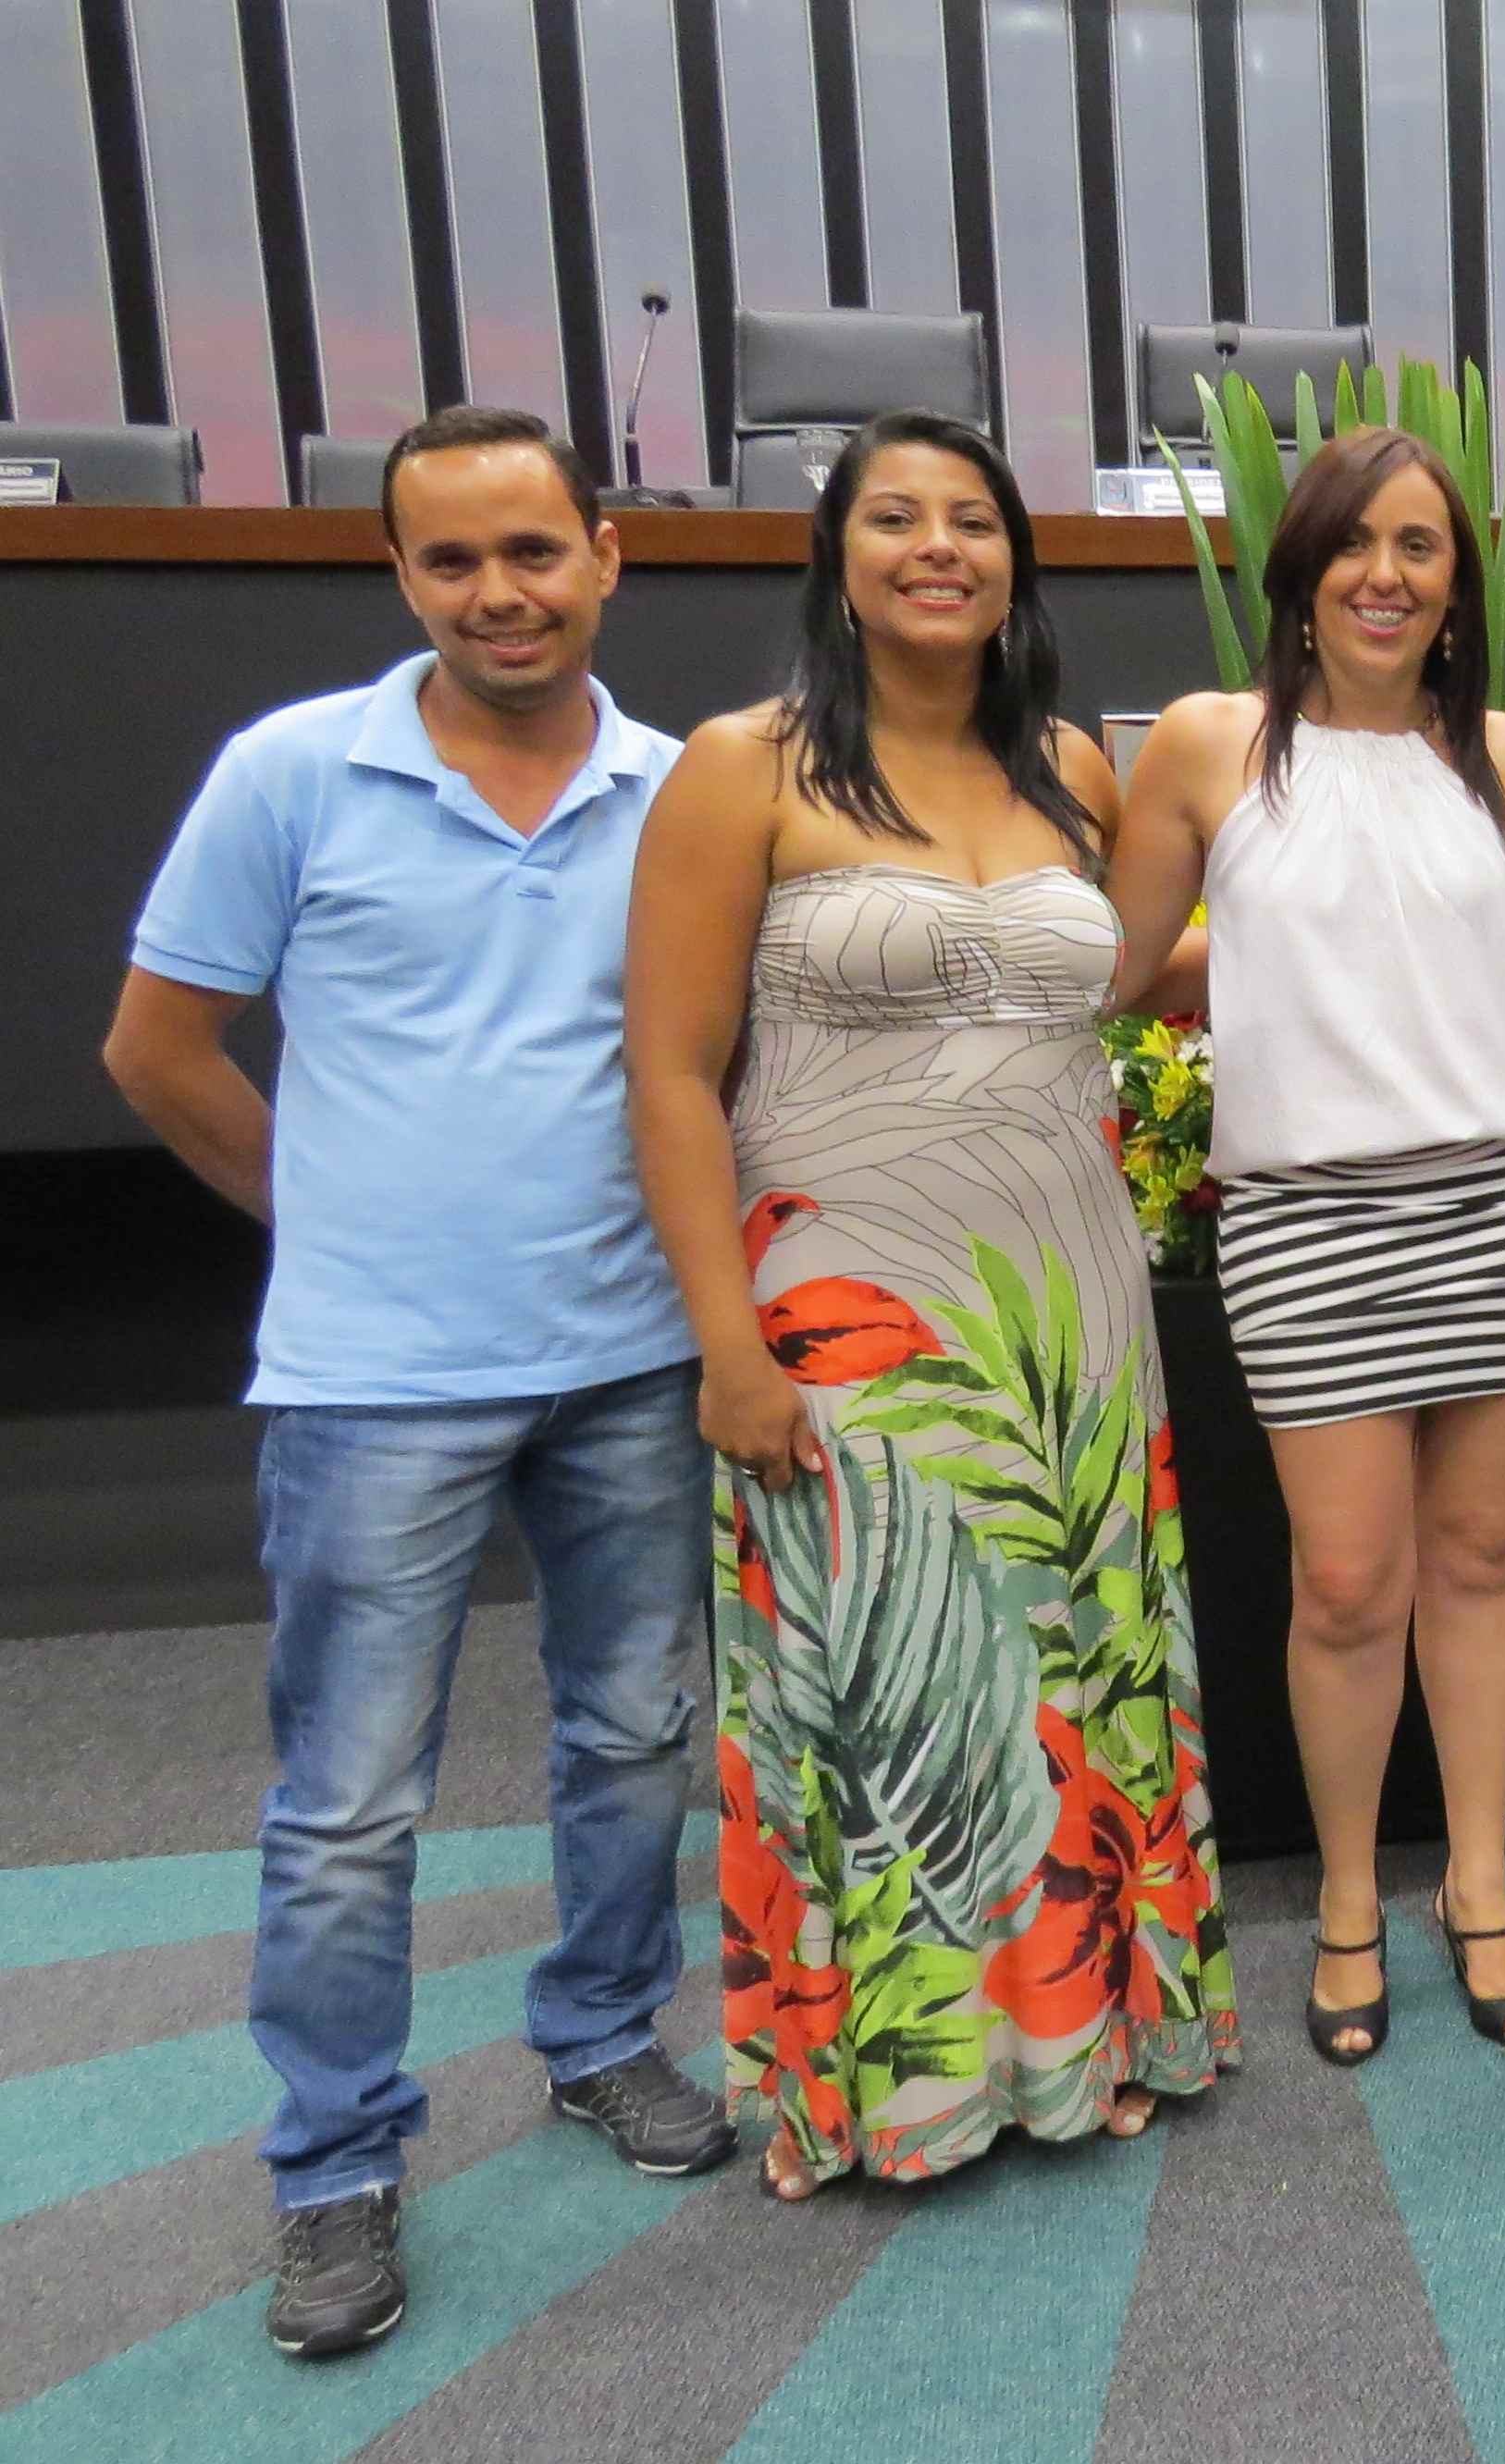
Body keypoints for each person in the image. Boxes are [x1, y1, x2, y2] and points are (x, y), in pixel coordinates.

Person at [103, 408, 733, 2359]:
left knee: (634, 1733)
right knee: (351, 1801)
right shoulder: (293, 771)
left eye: (532, 551)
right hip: (374, 1381)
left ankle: (602, 2034)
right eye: (450, 560)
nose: (497, 593)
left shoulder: (680, 793)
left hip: (630, 1357)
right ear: (398, 575)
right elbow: (157, 1049)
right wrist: (330, 1219)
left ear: (606, 556)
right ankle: (334, 2162)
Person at [624, 409, 1238, 2200]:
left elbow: (1127, 979)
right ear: (836, 559)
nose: (937, 547)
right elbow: (667, 1074)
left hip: (1068, 1310)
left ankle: (1090, 2036)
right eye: (894, 518)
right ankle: (898, 2087)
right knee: (892, 1675)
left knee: (1071, 1665)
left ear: (1015, 564)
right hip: (846, 1316)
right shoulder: (739, 769)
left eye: (972, 519)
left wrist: (1373, 920)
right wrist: (724, 1345)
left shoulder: (1070, 768)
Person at [1104, 428, 1505, 2064]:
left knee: (1485, 1557)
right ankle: (1341, 1896)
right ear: (1300, 570)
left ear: (1459, 585)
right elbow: (1119, 968)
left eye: (1421, 546)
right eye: (1353, 544)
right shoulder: (1210, 745)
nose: (1385, 575)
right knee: (1342, 1582)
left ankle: (1476, 1882)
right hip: (1311, 1222)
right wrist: (1248, 973)